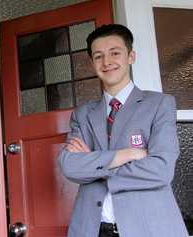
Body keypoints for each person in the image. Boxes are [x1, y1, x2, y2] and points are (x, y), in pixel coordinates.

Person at [58, 24, 189, 237]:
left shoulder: (159, 104)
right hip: (93, 229)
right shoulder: (82, 114)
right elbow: (70, 167)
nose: (107, 62)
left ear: (131, 56)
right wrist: (125, 155)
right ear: (92, 63)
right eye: (98, 56)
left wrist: (93, 164)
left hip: (149, 228)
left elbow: (161, 169)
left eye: (115, 53)